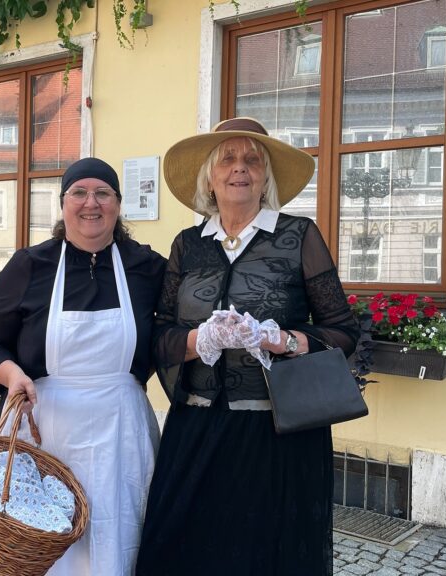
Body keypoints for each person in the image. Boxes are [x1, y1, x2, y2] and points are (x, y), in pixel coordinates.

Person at [136, 118, 360, 575]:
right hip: (197, 425)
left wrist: (287, 341)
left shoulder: (298, 236)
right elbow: (159, 332)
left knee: (267, 556)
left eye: (252, 160)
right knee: (184, 551)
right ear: (209, 179)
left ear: (265, 178)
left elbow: (342, 329)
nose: (240, 168)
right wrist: (201, 340)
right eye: (228, 159)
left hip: (277, 433)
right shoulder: (188, 245)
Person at [0, 157, 166, 576]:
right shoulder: (30, 266)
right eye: (79, 192)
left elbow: (171, 334)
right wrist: (12, 375)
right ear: (62, 204)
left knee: (113, 541)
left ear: (118, 204)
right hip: (43, 429)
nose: (90, 203)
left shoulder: (148, 268)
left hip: (120, 436)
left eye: (102, 193)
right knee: (34, 550)